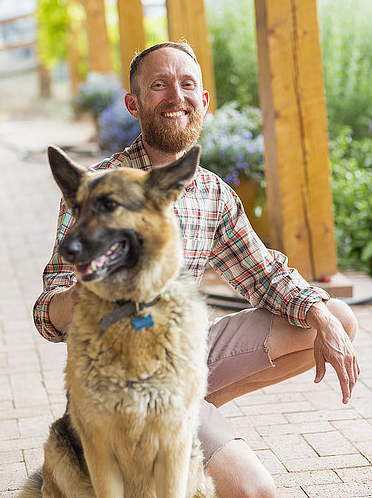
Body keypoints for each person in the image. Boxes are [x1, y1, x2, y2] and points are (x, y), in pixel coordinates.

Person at [34, 41, 359, 498]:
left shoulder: (211, 191)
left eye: (188, 85)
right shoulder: (100, 188)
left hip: (190, 351)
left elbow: (263, 274)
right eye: (159, 86)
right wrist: (86, 293)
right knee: (255, 492)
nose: (176, 96)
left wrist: (321, 314)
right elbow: (47, 312)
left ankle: (191, 413)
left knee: (336, 318)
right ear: (133, 104)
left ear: (204, 101)